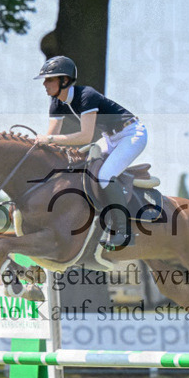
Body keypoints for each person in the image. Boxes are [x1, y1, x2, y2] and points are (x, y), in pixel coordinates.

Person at [33, 56, 147, 250]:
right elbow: (50, 138)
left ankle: (124, 231)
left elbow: (85, 136)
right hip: (110, 139)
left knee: (104, 176)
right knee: (82, 169)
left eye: (49, 79)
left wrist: (49, 140)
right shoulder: (56, 102)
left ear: (65, 80)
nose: (44, 83)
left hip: (132, 134)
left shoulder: (86, 95)